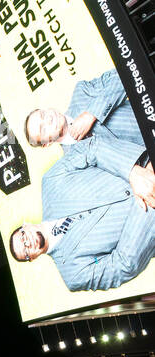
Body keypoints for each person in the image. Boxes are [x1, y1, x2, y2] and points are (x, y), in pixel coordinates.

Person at [9, 126, 155, 294]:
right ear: (32, 259)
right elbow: (123, 265)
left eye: (23, 237)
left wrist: (134, 173)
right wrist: (149, 200)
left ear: (25, 225)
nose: (29, 243)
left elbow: (92, 148)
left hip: (148, 160)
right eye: (26, 252)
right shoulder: (73, 275)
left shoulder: (51, 181)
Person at [24, 71, 144, 152]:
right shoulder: (73, 166)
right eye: (43, 129)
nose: (48, 119)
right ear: (47, 144)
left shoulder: (82, 92)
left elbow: (122, 73)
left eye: (43, 114)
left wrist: (91, 114)